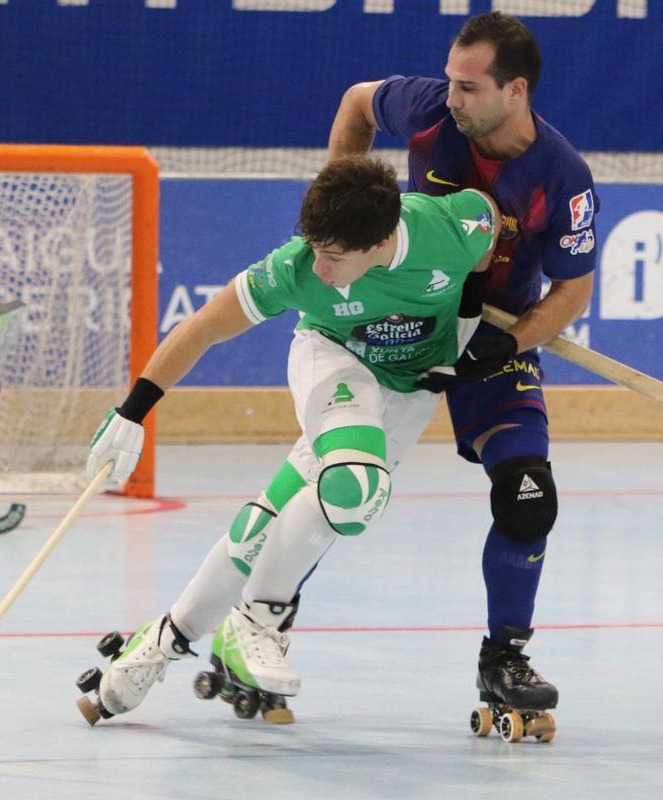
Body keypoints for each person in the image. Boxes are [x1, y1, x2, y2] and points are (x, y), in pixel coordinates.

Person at [79, 155, 498, 723]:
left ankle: (160, 640)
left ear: (380, 243)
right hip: (335, 362)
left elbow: (487, 228)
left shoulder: (453, 227)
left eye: (333, 257)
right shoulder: (297, 267)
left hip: (411, 392)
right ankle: (256, 623)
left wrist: (467, 327)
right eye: (315, 251)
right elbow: (203, 327)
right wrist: (134, 412)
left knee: (268, 525)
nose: (319, 270)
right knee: (354, 488)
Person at [325, 11, 598, 716]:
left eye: (469, 87)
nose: (452, 98)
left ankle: (502, 655)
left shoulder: (562, 177)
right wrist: (342, 207)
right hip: (398, 325)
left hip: (493, 335)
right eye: (450, 81)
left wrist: (509, 343)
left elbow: (573, 289)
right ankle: (264, 620)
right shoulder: (426, 109)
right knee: (333, 487)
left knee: (528, 494)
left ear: (516, 90)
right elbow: (358, 101)